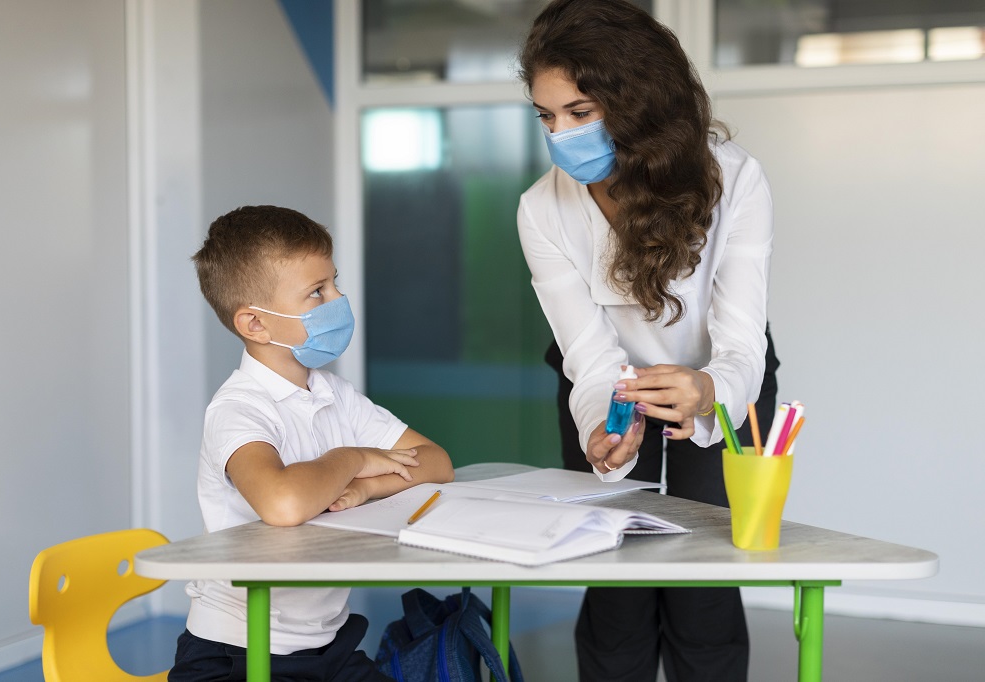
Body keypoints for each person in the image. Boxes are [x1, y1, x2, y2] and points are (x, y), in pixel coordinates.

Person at [516, 1, 780, 681]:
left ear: (640, 103)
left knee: (703, 577)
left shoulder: (733, 178)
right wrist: (602, 433)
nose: (560, 134)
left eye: (579, 111)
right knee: (615, 574)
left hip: (724, 377)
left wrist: (709, 393)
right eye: (546, 116)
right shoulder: (541, 210)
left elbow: (742, 340)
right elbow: (588, 354)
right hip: (608, 381)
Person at [169, 205, 455, 682]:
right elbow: (282, 502)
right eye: (317, 292)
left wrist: (367, 488)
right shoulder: (239, 409)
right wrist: (353, 459)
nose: (339, 299)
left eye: (334, 283)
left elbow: (436, 462)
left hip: (329, 645)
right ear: (255, 324)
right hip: (238, 649)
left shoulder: (333, 394)